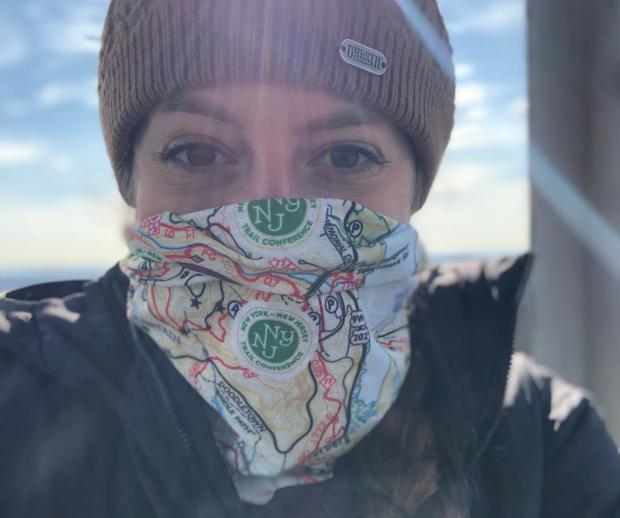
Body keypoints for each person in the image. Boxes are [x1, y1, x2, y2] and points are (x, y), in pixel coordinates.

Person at [1, 0, 619, 516]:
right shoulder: (19, 404)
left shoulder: (541, 437)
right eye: (196, 154)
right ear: (133, 185)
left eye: (346, 157)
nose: (270, 217)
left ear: (415, 189)